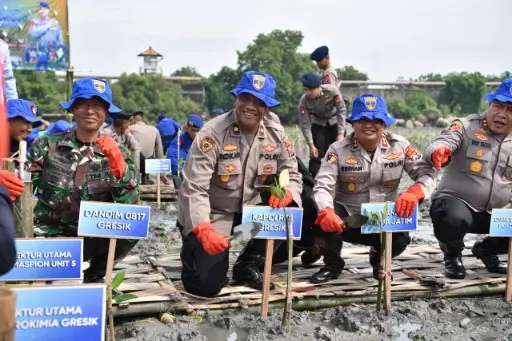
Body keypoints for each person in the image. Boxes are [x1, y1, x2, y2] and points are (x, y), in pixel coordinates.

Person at [177, 71, 302, 297]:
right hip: (215, 213)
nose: (250, 107)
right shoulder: (213, 133)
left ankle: (249, 264)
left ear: (268, 108)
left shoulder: (276, 132)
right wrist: (203, 228)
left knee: (293, 208)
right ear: (236, 98)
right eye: (246, 98)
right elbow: (194, 186)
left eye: (259, 102)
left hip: (250, 215)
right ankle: (193, 248)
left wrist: (289, 191)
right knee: (206, 286)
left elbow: (292, 172)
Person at [311, 94, 437, 283]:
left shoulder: (400, 146)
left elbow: (427, 173)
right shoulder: (337, 150)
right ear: (353, 123)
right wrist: (326, 210)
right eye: (363, 119)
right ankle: (332, 264)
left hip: (384, 220)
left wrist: (416, 191)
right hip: (349, 219)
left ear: (384, 124)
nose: (369, 124)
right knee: (319, 219)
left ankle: (379, 259)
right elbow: (322, 185)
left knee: (401, 240)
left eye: (376, 120)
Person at [27, 77, 139, 283]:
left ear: (106, 113)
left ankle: (96, 273)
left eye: (97, 105)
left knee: (134, 228)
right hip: (50, 234)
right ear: (73, 109)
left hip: (93, 237)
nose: (90, 111)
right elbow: (24, 188)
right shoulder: (46, 146)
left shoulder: (117, 152)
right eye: (83, 104)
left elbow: (130, 205)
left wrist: (120, 170)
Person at [424, 79, 512, 279]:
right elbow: (440, 143)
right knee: (450, 216)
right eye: (498, 106)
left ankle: (488, 249)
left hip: (497, 213)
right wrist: (439, 151)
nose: (502, 114)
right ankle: (452, 255)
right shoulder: (465, 126)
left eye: (510, 110)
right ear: (489, 105)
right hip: (458, 206)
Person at [299, 73, 347, 178]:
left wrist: (341, 133)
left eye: (310, 90)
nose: (308, 93)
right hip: (318, 122)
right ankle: (316, 179)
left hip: (334, 121)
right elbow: (305, 124)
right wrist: (310, 144)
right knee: (317, 154)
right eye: (305, 90)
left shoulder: (332, 91)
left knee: (339, 150)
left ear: (318, 87)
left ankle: (341, 177)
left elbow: (341, 111)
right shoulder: (304, 101)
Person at [129, 111, 167, 184]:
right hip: (149, 165)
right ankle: (146, 177)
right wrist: (162, 175)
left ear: (133, 119)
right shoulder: (155, 130)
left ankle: (134, 178)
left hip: (136, 164)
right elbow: (159, 152)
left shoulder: (129, 128)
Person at [102, 111, 142, 177]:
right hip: (108, 169)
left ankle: (134, 175)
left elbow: (136, 147)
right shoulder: (106, 133)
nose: (128, 127)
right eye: (127, 125)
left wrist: (129, 135)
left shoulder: (124, 134)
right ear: (124, 124)